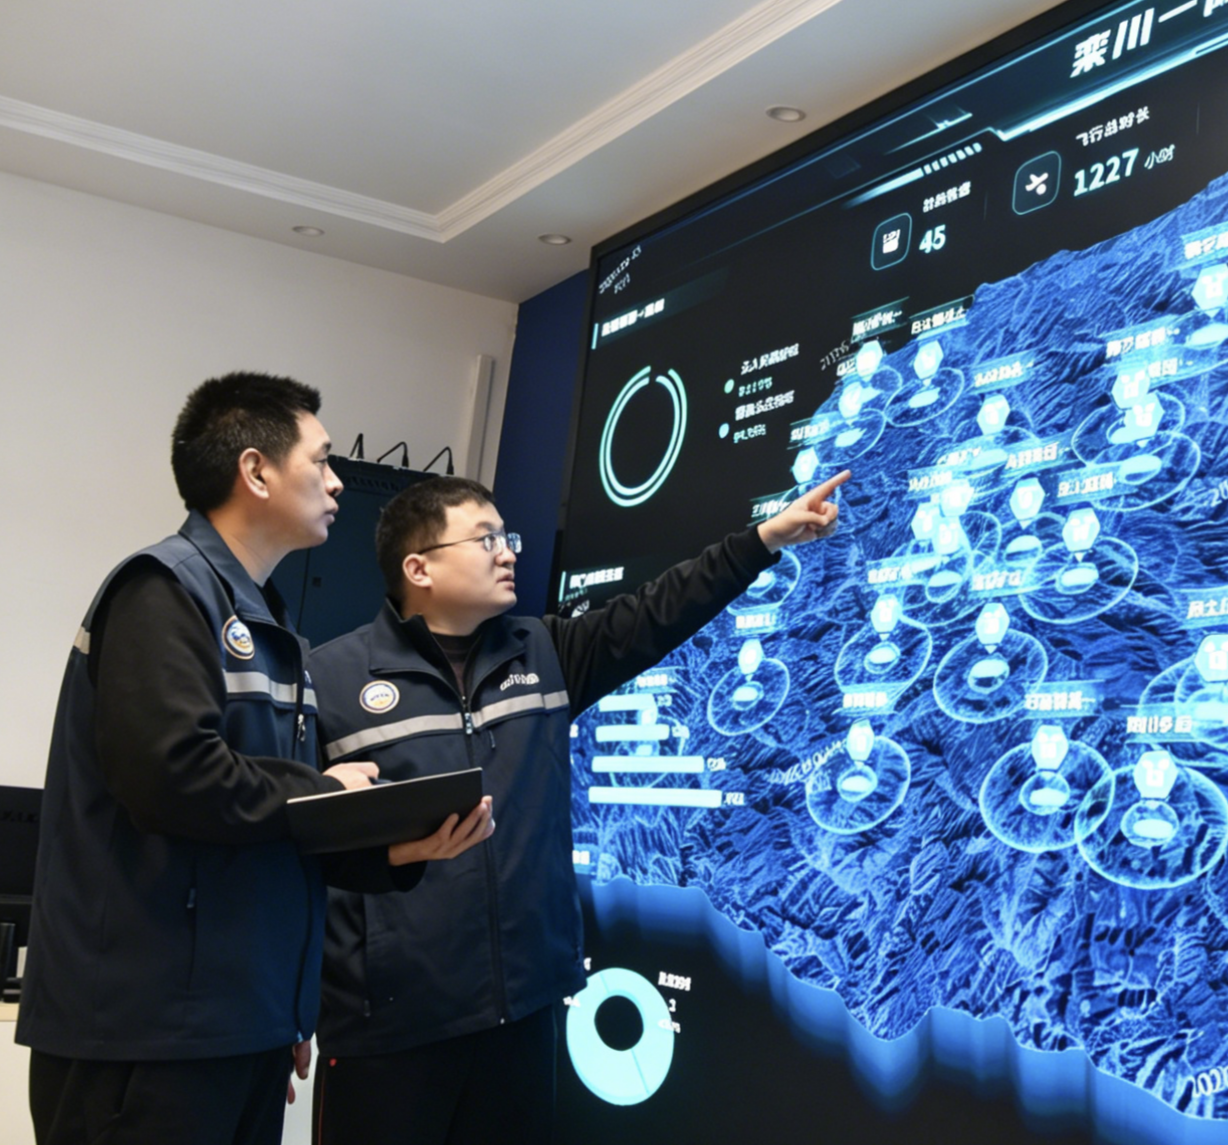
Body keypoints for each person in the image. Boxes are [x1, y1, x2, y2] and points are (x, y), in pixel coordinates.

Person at [306, 465, 850, 1144]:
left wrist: (763, 539)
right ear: (418, 568)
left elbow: (660, 608)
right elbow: (296, 853)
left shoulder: (544, 652)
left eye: (508, 537)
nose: (508, 553)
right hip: (389, 1027)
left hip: (521, 1014)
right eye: (485, 539)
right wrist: (291, 1007)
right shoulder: (329, 680)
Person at [19, 372, 494, 1145]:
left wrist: (389, 852)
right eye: (322, 460)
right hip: (146, 1033)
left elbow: (266, 831)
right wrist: (323, 789)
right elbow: (172, 775)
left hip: (239, 1024)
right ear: (256, 470)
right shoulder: (163, 590)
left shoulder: (272, 627)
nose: (338, 482)